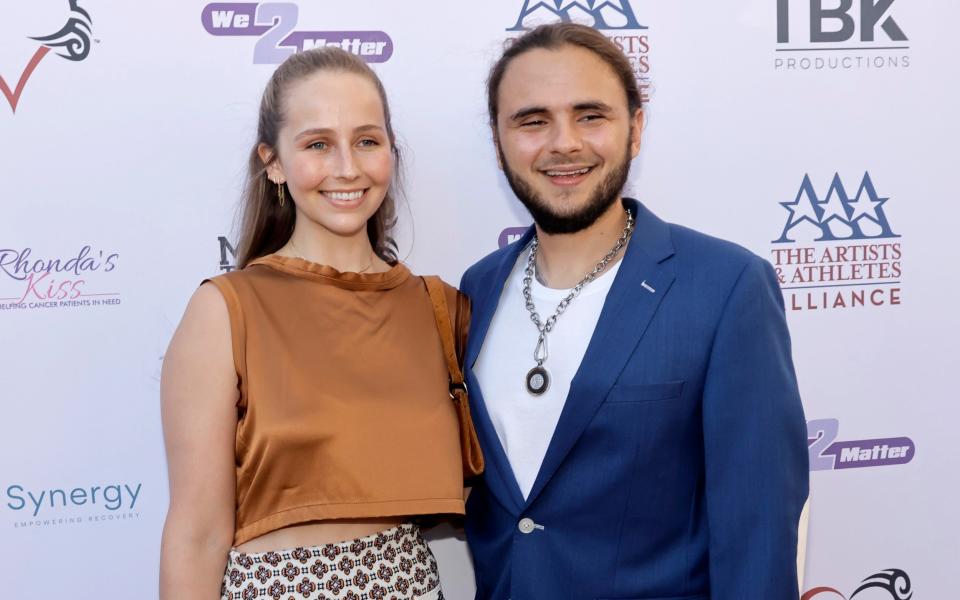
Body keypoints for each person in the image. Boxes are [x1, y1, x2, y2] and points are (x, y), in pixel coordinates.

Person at [460, 23, 809, 599]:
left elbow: (758, 527)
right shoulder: (476, 289)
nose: (563, 142)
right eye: (532, 120)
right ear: (498, 143)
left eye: (590, 115)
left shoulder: (726, 288)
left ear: (636, 128)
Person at [159, 47, 476, 600]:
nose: (347, 168)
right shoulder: (227, 310)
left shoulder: (439, 307)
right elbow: (197, 534)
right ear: (274, 161)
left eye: (367, 141)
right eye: (318, 144)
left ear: (390, 153)